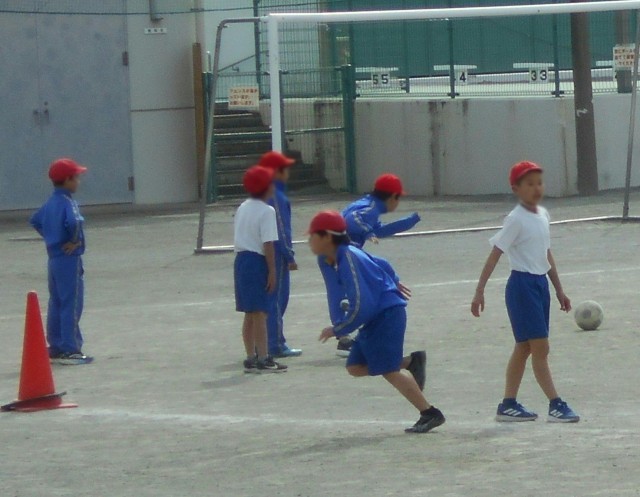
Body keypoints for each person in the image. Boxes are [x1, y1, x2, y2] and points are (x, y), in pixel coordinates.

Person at [310, 210, 445, 433]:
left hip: (386, 316)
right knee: (355, 367)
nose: (310, 241)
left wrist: (339, 328)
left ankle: (429, 413)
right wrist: (392, 280)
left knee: (388, 370)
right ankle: (410, 362)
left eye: (313, 235)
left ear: (327, 236)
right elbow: (381, 262)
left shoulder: (347, 258)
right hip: (377, 317)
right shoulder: (346, 253)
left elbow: (362, 305)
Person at [471, 161, 579, 423]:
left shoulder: (543, 215)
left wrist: (559, 290)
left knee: (524, 347)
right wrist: (479, 290)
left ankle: (508, 404)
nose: (536, 188)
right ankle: (555, 404)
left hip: (540, 285)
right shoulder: (515, 219)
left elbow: (546, 254)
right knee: (541, 347)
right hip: (522, 286)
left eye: (539, 182)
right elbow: (495, 254)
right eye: (529, 184)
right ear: (516, 189)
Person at [336, 173, 421, 357]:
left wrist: (409, 222)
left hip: (341, 254)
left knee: (363, 284)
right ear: (391, 197)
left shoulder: (371, 206)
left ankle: (349, 317)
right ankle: (345, 335)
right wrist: (367, 232)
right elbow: (353, 219)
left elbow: (379, 231)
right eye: (398, 198)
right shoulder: (371, 208)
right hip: (339, 255)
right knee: (366, 286)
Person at [30, 158, 93, 365]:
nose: (78, 182)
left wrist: (50, 236)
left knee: (56, 301)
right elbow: (75, 222)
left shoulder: (50, 202)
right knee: (71, 303)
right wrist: (74, 241)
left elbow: (35, 220)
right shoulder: (68, 202)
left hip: (53, 258)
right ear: (67, 180)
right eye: (76, 178)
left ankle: (56, 346)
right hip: (68, 260)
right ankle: (71, 348)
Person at [234, 165, 287, 374]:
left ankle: (250, 357)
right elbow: (268, 244)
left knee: (249, 312)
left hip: (241, 261)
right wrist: (272, 271)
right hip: (257, 261)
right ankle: (264, 358)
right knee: (260, 313)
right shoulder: (267, 211)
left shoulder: (243, 207)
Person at [258, 151, 302, 358]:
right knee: (277, 300)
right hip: (276, 253)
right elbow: (282, 229)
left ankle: (262, 342)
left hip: (260, 251)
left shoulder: (261, 193)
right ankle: (275, 343)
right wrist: (289, 255)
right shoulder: (276, 197)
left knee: (266, 300)